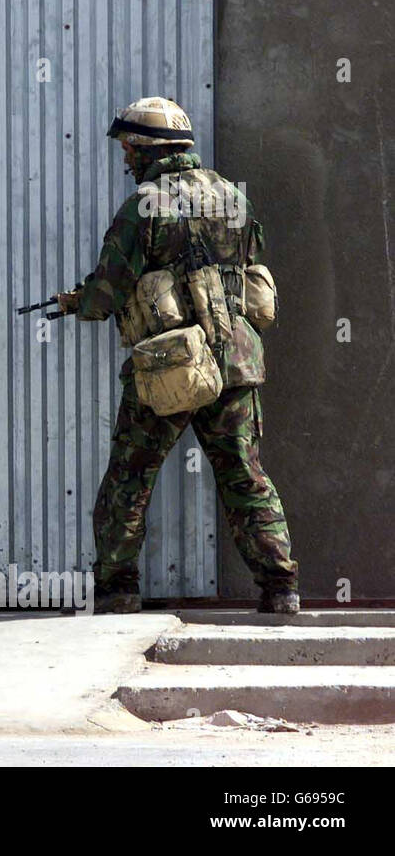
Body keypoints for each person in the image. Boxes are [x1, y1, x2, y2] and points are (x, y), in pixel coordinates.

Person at [58, 98, 299, 614]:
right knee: (244, 472)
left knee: (131, 473)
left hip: (172, 366)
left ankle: (117, 588)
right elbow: (248, 266)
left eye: (129, 148)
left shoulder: (144, 205)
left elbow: (106, 296)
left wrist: (79, 301)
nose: (126, 159)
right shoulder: (235, 198)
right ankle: (281, 587)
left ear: (147, 149)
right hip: (236, 361)